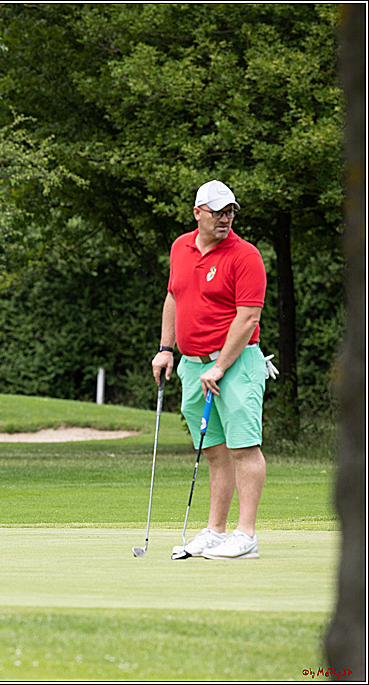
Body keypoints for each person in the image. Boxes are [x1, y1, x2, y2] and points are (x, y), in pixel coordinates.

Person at [152, 180, 274, 560]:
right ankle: (216, 532)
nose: (226, 218)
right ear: (197, 213)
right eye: (218, 211)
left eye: (231, 211)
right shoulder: (180, 247)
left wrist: (220, 366)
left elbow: (248, 316)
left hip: (236, 366)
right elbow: (174, 295)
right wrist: (165, 349)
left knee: (244, 447)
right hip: (192, 365)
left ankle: (246, 535)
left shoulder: (245, 255)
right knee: (214, 449)